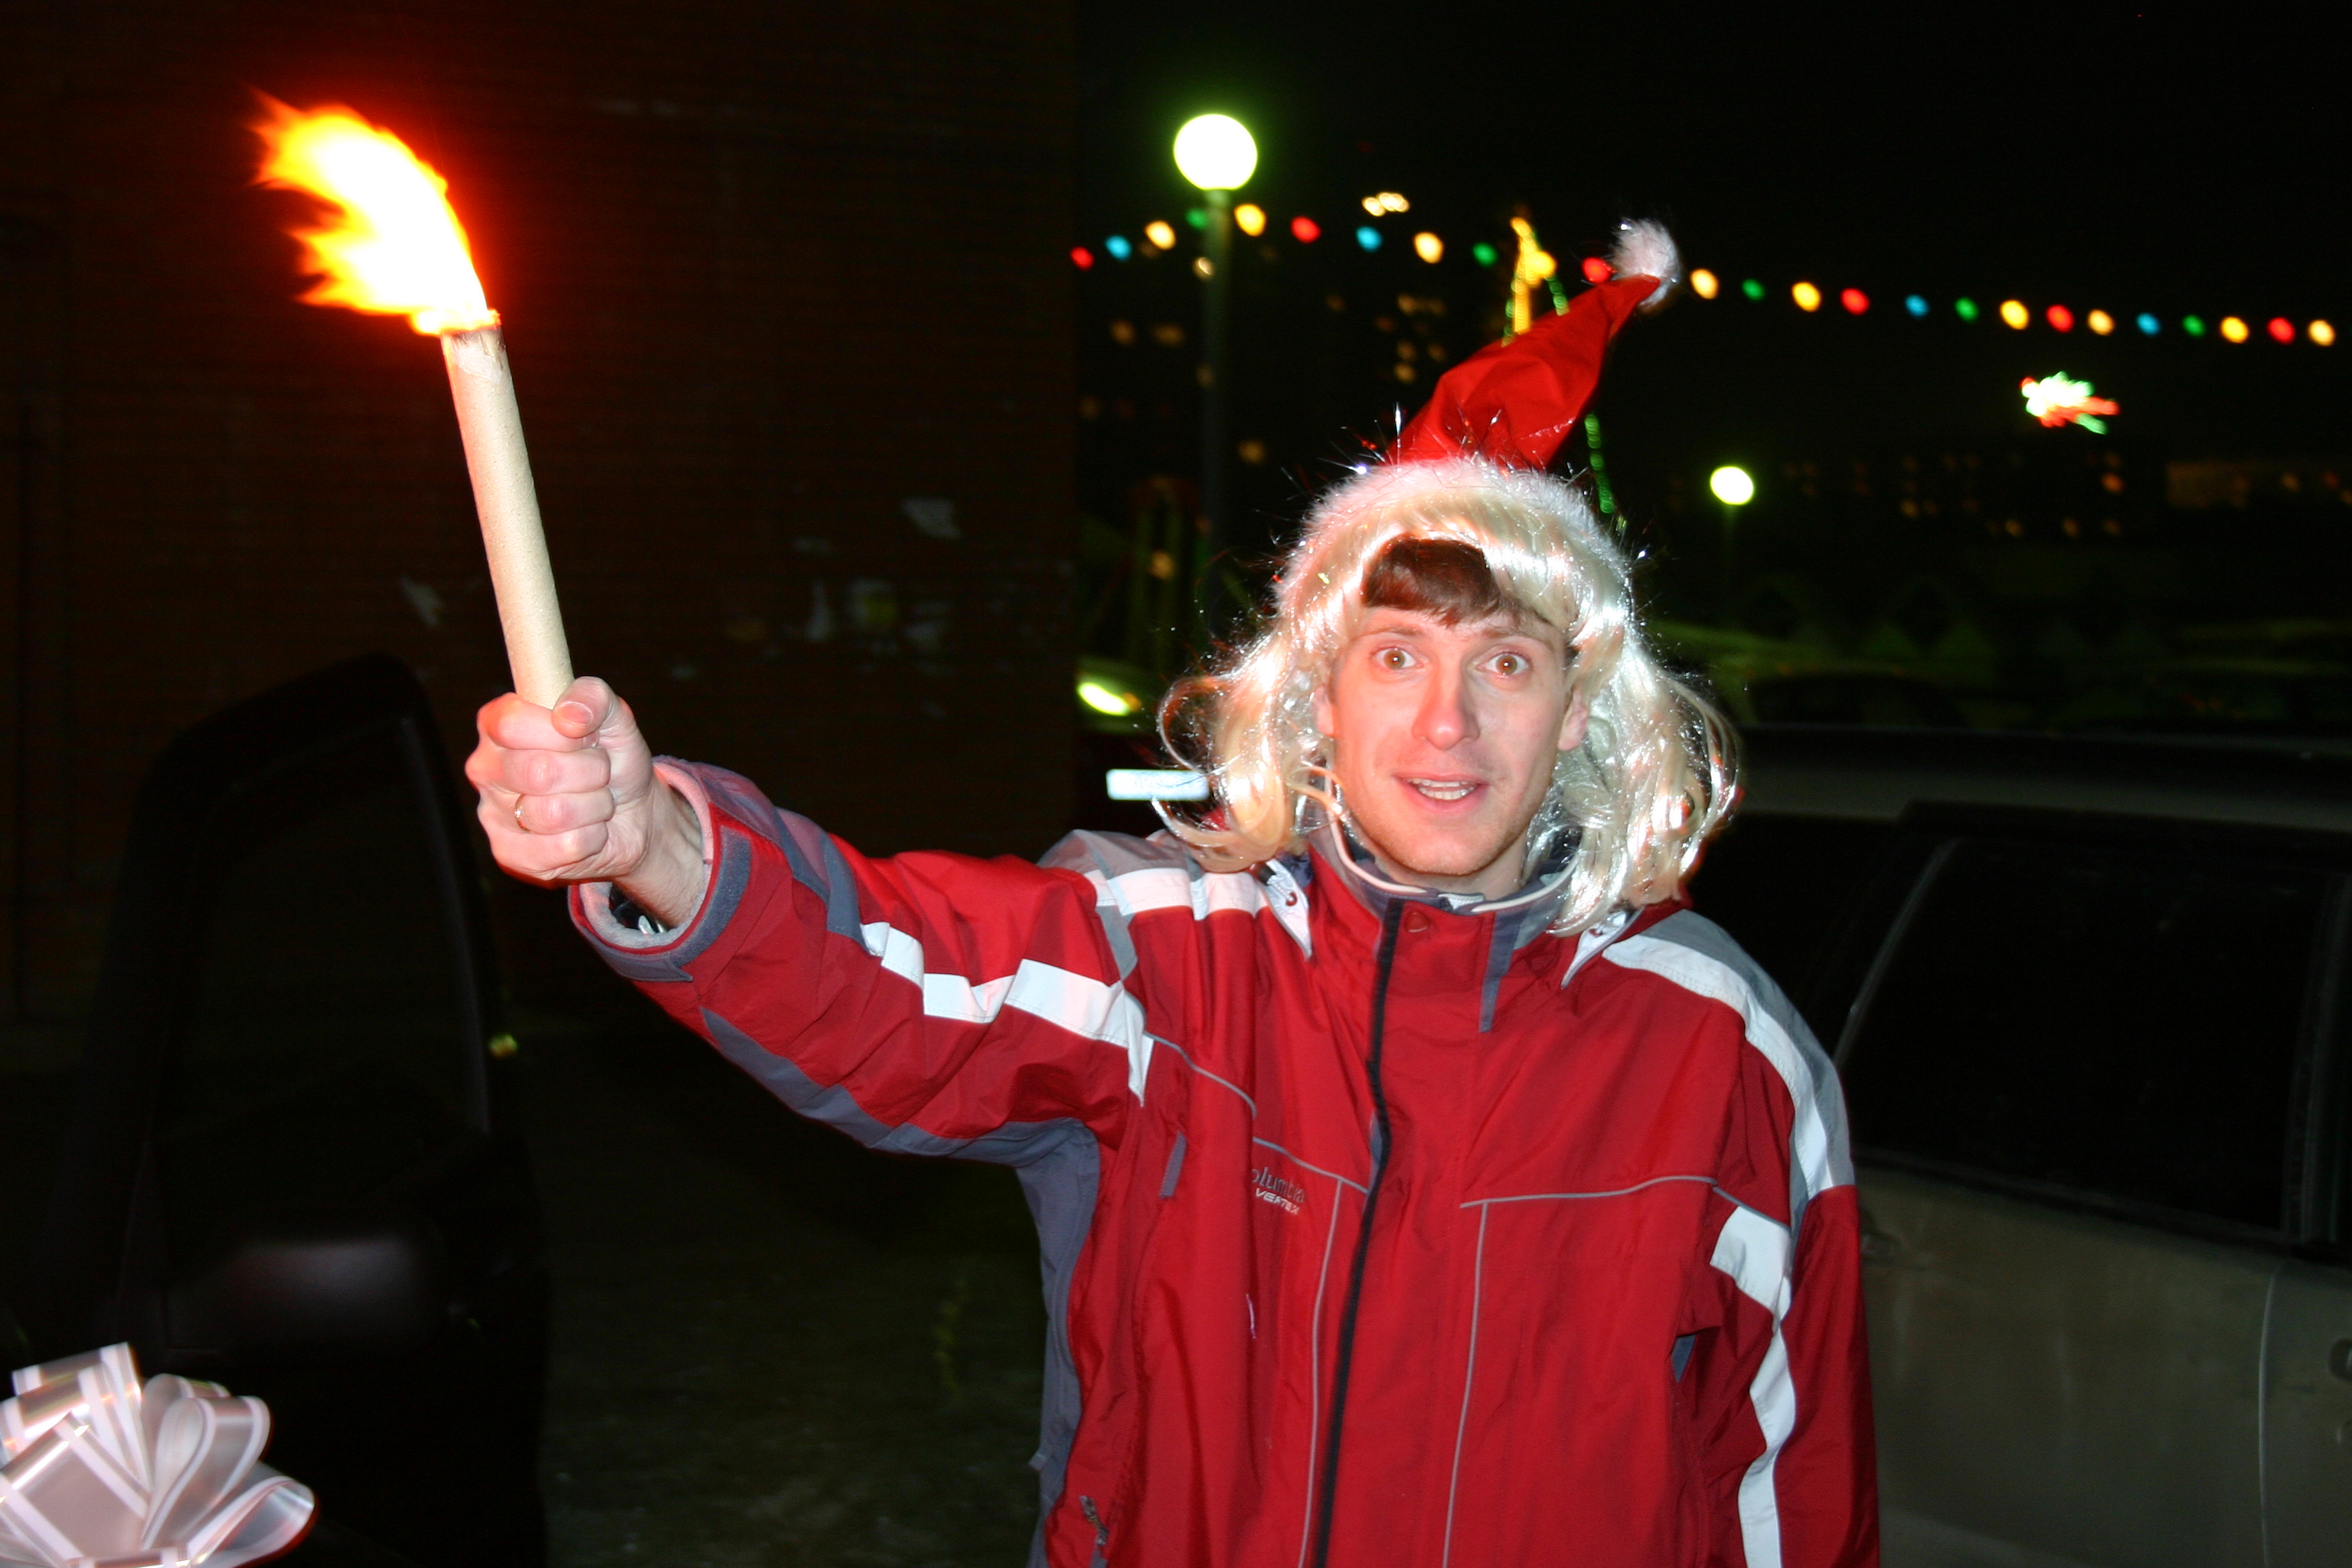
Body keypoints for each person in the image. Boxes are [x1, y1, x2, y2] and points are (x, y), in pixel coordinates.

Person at [469, 221, 1878, 1568]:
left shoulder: (1722, 1048)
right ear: (1321, 695)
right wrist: (655, 844)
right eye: (1395, 657)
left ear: (1574, 709)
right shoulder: (1166, 963)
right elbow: (883, 978)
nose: (1446, 724)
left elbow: (1789, 1489)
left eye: (1505, 663)